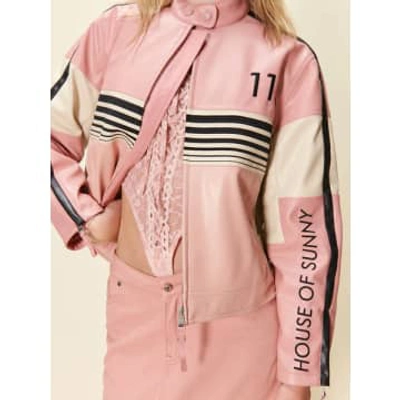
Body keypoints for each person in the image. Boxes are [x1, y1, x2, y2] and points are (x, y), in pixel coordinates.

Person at [51, 1, 343, 399]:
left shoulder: (288, 60)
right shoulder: (116, 32)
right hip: (135, 325)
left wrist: (296, 379)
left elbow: (305, 235)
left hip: (245, 342)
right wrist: (88, 217)